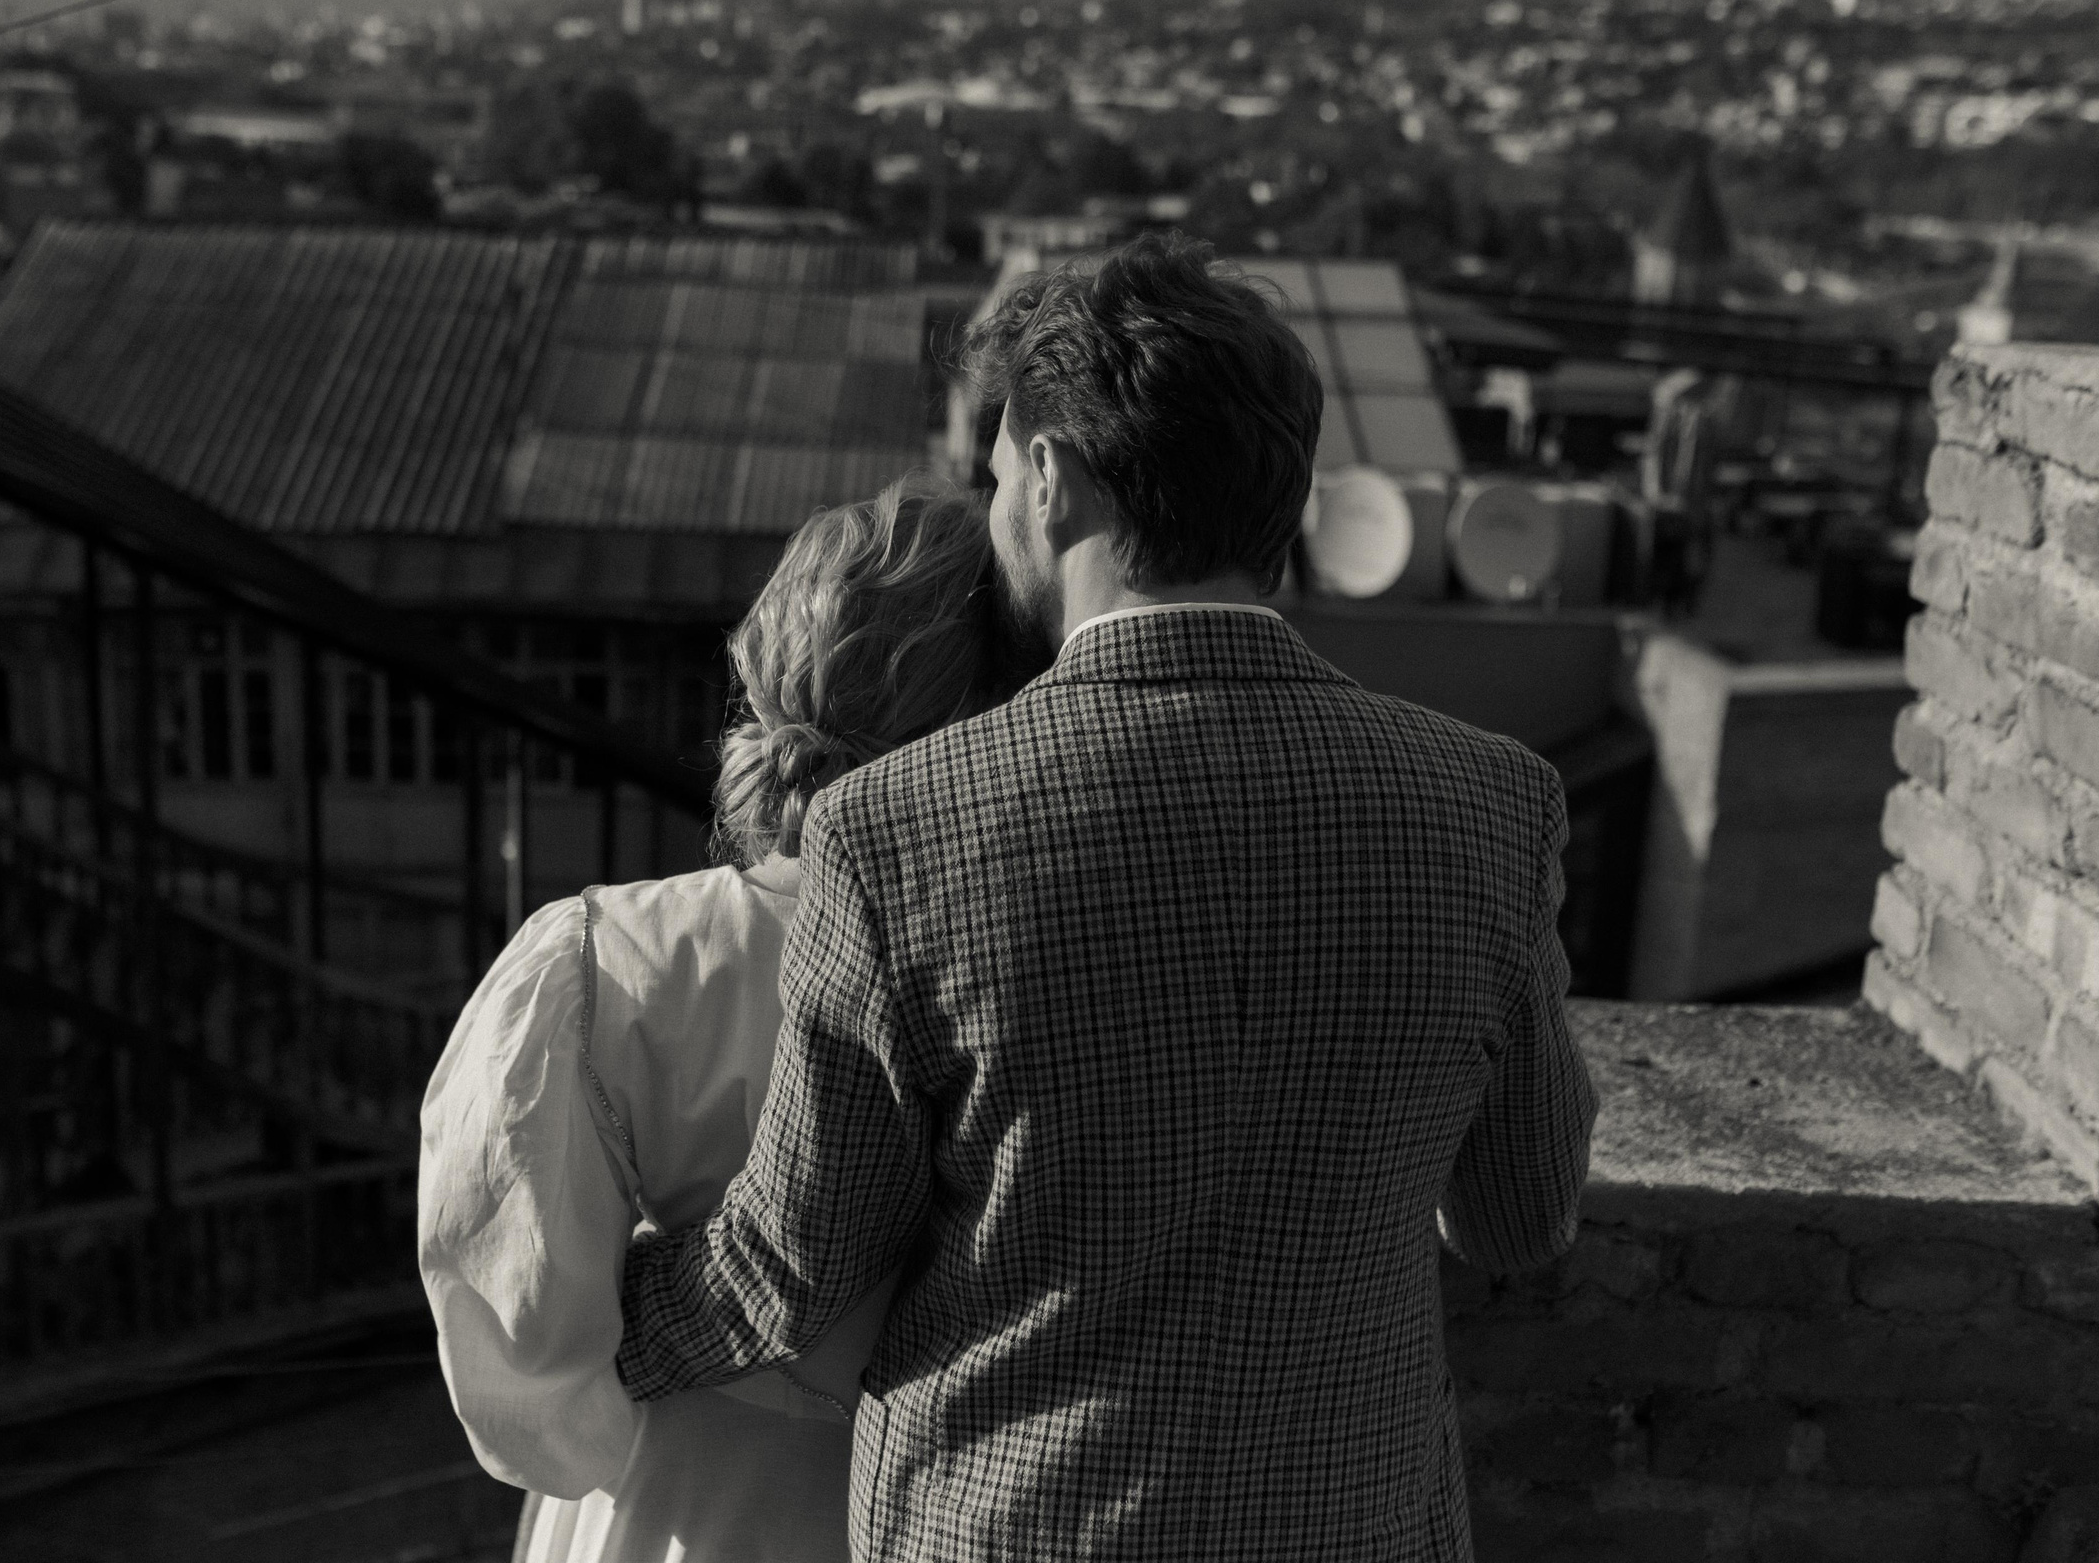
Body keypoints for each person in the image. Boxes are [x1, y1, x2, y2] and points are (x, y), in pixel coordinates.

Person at [616, 232, 1598, 1560]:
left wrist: (585, 1318)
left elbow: (792, 1270)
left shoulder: (892, 831)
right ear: (1288, 498)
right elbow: (1515, 1218)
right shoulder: (1493, 805)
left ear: (1051, 477)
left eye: (998, 477)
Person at [418, 475, 1006, 1563]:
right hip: (951, 1514)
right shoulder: (1028, 972)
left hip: (670, 1514)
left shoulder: (603, 964)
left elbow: (529, 1380)